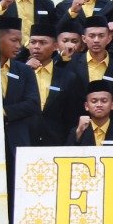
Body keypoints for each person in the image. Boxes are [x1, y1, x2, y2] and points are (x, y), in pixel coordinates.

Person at [0, 15, 39, 218]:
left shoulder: (23, 71)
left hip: (16, 142)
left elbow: (33, 104)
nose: (19, 46)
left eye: (20, 41)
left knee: (16, 196)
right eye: (13, 40)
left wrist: (4, 112)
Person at [24, 19, 81, 147]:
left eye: (43, 42)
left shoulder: (68, 78)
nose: (36, 46)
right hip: (24, 139)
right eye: (33, 42)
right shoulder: (19, 73)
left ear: (55, 46)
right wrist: (24, 71)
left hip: (55, 141)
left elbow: (71, 117)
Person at [76, 15, 113, 126]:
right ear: (84, 39)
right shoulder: (72, 65)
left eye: (101, 36)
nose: (96, 40)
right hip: (78, 127)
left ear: (109, 38)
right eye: (92, 36)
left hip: (111, 129)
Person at [71, 81, 113, 146]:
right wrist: (79, 133)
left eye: (104, 101)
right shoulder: (78, 131)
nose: (99, 105)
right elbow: (67, 152)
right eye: (94, 101)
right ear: (86, 106)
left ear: (112, 105)